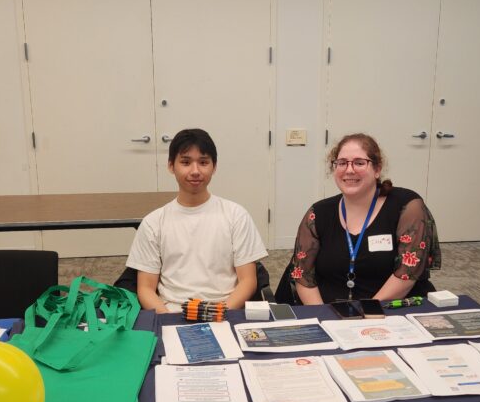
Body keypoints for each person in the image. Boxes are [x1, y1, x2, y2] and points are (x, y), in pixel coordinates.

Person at [288, 133, 440, 304]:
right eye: (342, 163)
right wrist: (322, 316)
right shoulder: (318, 213)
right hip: (331, 313)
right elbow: (302, 276)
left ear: (377, 169)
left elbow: (407, 273)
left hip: (391, 311)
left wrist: (367, 312)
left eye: (360, 163)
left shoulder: (406, 207)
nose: (349, 169)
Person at [126, 128, 267, 312]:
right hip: (172, 314)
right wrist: (167, 319)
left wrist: (217, 314)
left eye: (203, 162)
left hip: (225, 311)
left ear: (214, 166)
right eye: (185, 162)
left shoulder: (236, 215)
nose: (195, 171)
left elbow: (248, 281)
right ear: (171, 166)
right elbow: (145, 289)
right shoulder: (154, 222)